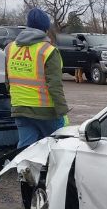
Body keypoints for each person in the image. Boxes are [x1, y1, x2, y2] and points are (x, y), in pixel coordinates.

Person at [4, 8, 69, 148]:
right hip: (46, 111)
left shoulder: (10, 48)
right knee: (58, 146)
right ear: (46, 29)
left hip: (19, 108)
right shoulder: (48, 51)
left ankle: (23, 169)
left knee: (26, 148)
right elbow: (55, 85)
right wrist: (62, 111)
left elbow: (8, 81)